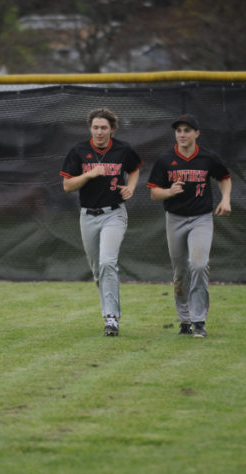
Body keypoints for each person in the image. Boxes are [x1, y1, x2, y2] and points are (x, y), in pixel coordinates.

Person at [146, 113, 232, 338]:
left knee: (199, 265)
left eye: (187, 130)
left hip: (201, 218)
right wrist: (169, 191)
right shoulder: (166, 160)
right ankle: (185, 320)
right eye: (179, 130)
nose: (182, 134)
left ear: (196, 133)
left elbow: (224, 178)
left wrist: (226, 199)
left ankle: (199, 320)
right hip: (174, 219)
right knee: (181, 273)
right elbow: (154, 193)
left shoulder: (207, 157)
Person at [60, 107, 142, 336]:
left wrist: (131, 187)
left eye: (104, 127)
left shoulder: (123, 149)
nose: (99, 131)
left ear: (112, 129)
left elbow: (135, 169)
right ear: (90, 128)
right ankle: (109, 311)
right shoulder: (79, 151)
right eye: (95, 127)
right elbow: (67, 186)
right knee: (98, 270)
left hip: (113, 213)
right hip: (88, 216)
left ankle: (111, 318)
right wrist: (89, 174)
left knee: (108, 263)